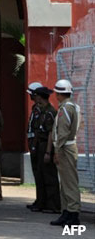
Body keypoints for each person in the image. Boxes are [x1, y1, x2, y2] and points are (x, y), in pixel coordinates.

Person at [50, 79, 81, 227]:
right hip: (68, 147)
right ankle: (67, 212)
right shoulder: (72, 106)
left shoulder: (65, 109)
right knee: (66, 182)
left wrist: (56, 150)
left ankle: (73, 213)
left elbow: (62, 132)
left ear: (59, 93)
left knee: (69, 182)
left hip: (65, 148)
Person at [31, 86, 61, 213]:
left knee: (49, 176)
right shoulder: (41, 110)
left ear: (40, 97)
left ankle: (53, 205)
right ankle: (42, 202)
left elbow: (50, 133)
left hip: (46, 145)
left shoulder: (49, 112)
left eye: (36, 95)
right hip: (39, 145)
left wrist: (48, 151)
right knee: (40, 175)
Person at [26, 81, 43, 210]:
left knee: (41, 174)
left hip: (37, 145)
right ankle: (39, 200)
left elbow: (38, 129)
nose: (30, 97)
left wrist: (33, 145)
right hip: (33, 143)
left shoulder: (40, 109)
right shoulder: (35, 108)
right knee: (37, 173)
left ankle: (43, 201)